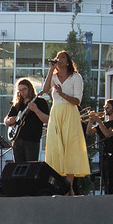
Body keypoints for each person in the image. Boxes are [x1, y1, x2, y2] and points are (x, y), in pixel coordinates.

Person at [41, 49, 90, 194]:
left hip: (70, 113)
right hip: (56, 113)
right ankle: (58, 186)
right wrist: (51, 70)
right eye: (57, 57)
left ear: (68, 62)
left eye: (62, 57)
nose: (59, 59)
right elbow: (44, 89)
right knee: (56, 148)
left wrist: (62, 93)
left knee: (70, 148)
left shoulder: (76, 77)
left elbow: (77, 100)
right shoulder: (54, 76)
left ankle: (70, 187)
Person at [5, 79, 49, 166]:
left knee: (30, 168)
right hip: (17, 140)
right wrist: (9, 121)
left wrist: (36, 110)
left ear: (30, 88)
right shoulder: (17, 104)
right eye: (20, 90)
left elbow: (47, 120)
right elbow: (6, 120)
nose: (22, 92)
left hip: (32, 141)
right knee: (17, 168)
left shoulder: (40, 102)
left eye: (24, 89)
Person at [88, 97, 113, 196]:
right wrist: (91, 121)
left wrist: (99, 121)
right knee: (104, 180)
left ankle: (111, 196)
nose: (105, 109)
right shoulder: (103, 123)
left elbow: (108, 134)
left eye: (107, 107)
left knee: (110, 180)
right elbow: (89, 132)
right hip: (102, 153)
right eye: (105, 106)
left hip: (111, 153)